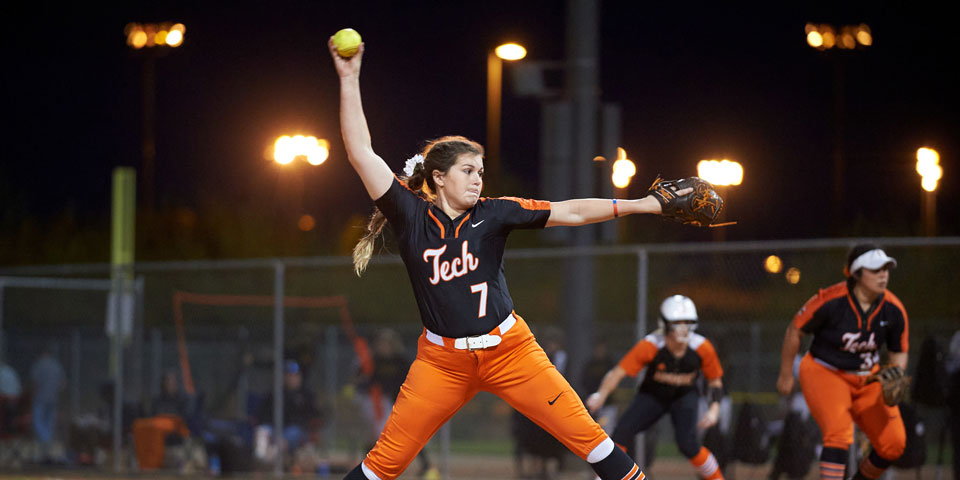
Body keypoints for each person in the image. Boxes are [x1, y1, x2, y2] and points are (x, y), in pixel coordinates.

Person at [329, 36, 695, 480]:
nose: (478, 179)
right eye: (468, 171)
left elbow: (569, 210)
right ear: (439, 177)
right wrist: (350, 79)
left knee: (591, 439)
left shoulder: (495, 213)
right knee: (383, 464)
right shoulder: (410, 215)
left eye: (481, 171)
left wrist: (643, 204)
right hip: (441, 363)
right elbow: (360, 152)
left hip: (511, 352)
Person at [776, 243, 908, 480]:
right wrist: (786, 374)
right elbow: (795, 330)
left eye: (886, 269)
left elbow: (899, 349)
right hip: (825, 372)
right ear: (857, 273)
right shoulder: (831, 301)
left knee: (894, 443)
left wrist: (896, 372)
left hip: (868, 376)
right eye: (876, 269)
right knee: (839, 434)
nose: (883, 275)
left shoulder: (893, 309)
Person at [585, 295, 726, 480]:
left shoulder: (702, 347)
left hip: (684, 396)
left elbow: (715, 381)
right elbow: (618, 372)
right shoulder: (651, 344)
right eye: (678, 323)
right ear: (665, 324)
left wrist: (714, 410)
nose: (684, 329)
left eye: (688, 322)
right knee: (621, 434)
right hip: (653, 395)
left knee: (688, 445)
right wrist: (601, 394)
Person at [256, 360, 320, 456]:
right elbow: (263, 415)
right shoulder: (274, 394)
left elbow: (312, 416)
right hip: (275, 428)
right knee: (262, 430)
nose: (292, 378)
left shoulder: (306, 395)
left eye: (295, 375)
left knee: (291, 433)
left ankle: (271, 459)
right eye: (289, 375)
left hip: (296, 431)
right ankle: (260, 458)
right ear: (284, 377)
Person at [30, 343, 65, 461]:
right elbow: (62, 384)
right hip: (53, 399)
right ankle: (45, 450)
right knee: (49, 423)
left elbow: (35, 383)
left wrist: (34, 395)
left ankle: (45, 442)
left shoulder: (38, 365)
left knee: (38, 422)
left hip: (40, 398)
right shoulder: (57, 366)